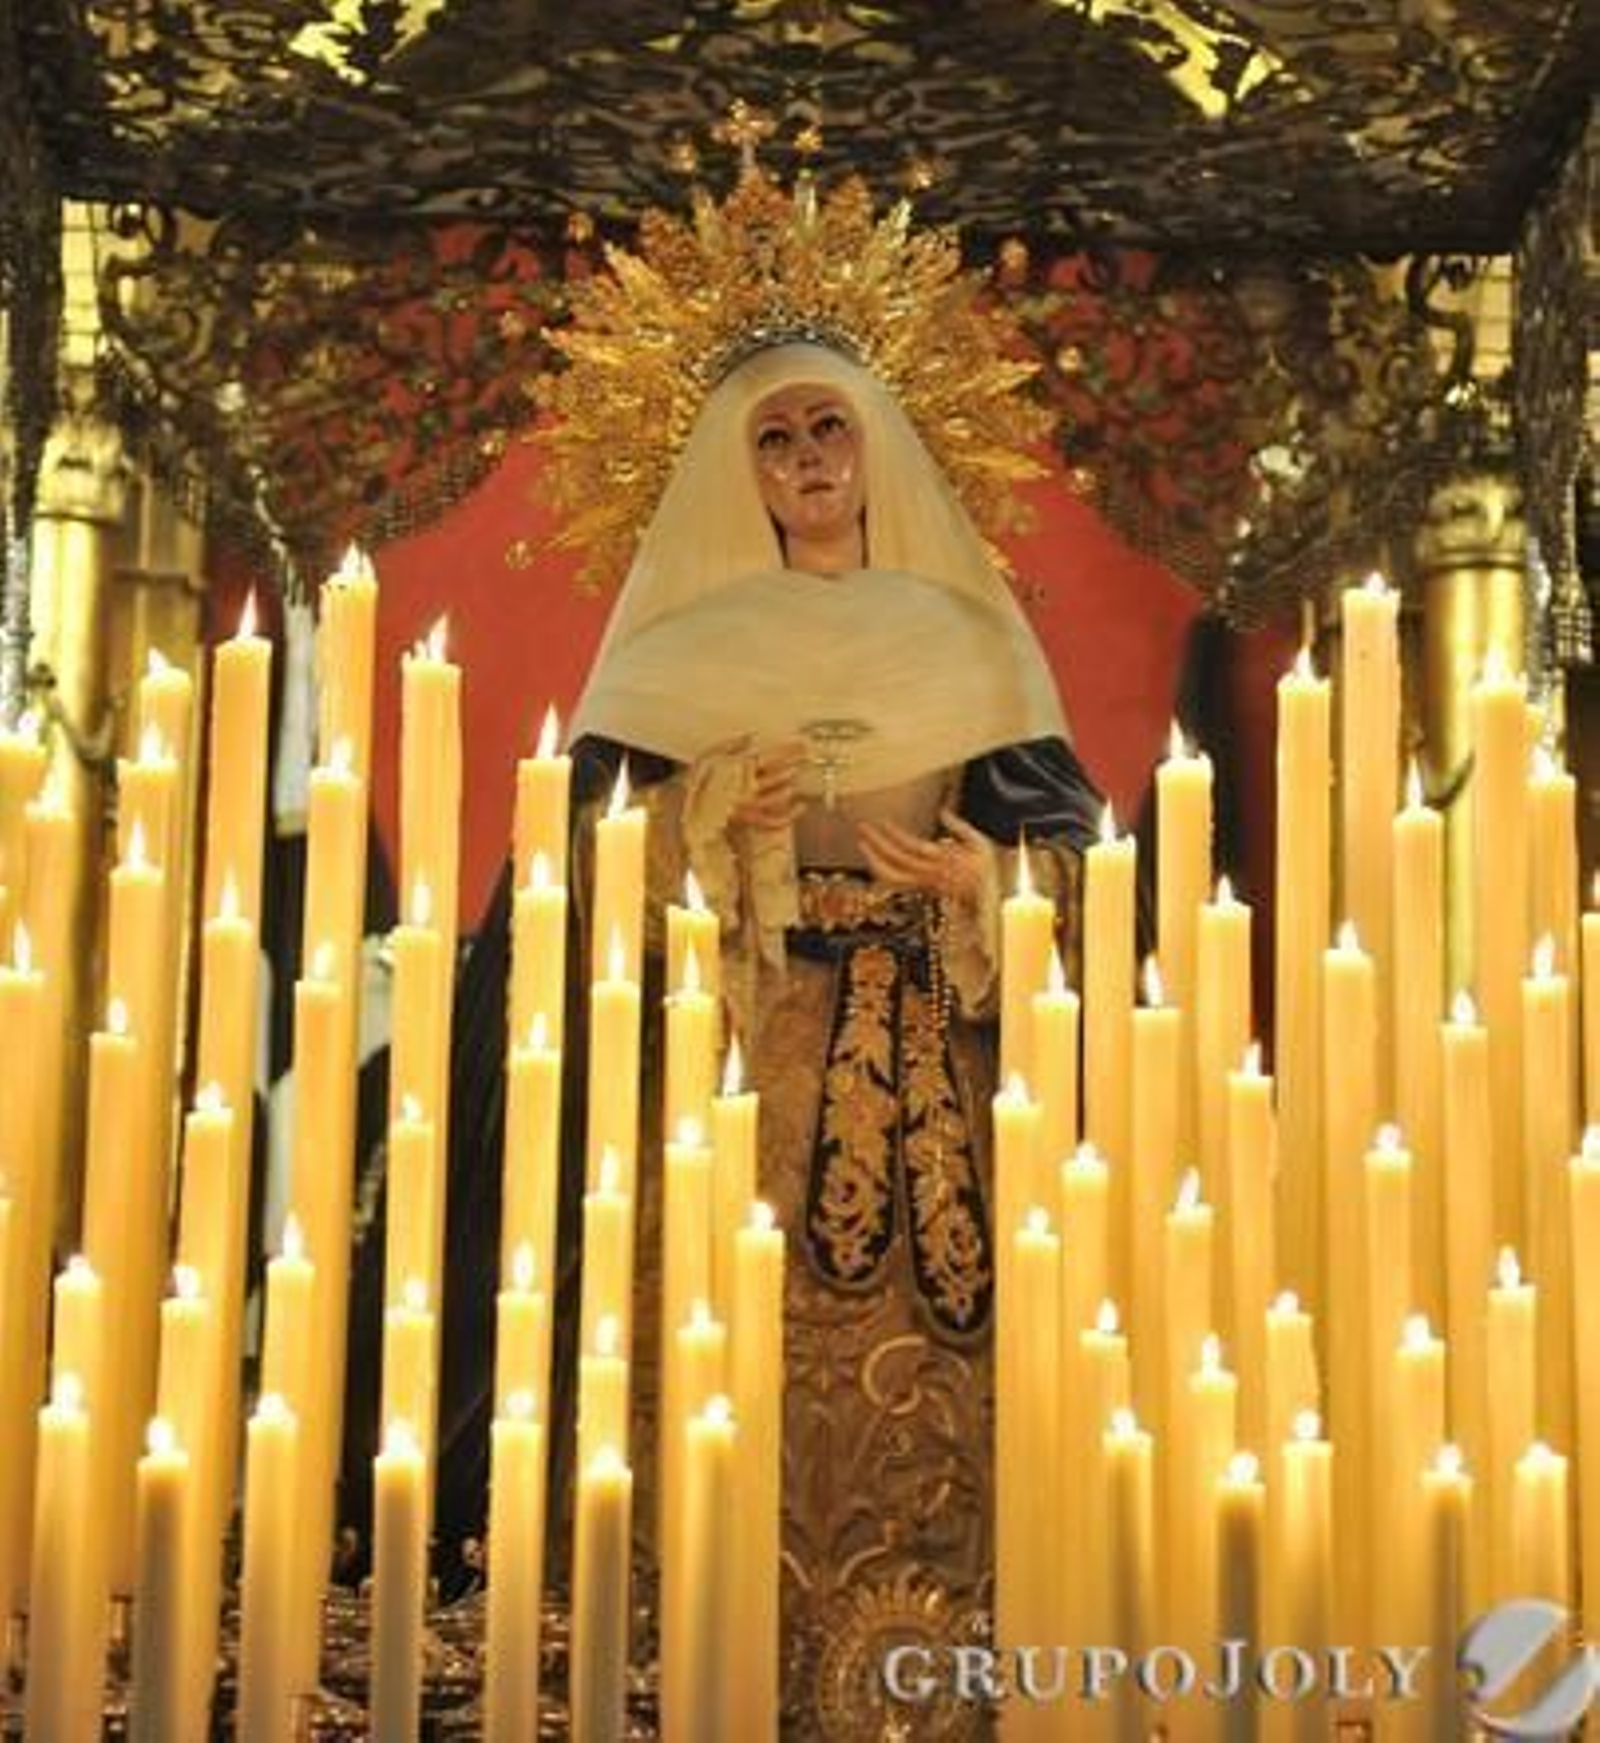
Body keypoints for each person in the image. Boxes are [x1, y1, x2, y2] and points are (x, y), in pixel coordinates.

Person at [424, 333, 1106, 1736]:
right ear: (735, 474)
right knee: (716, 1361)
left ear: (880, 447)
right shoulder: (677, 662)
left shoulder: (973, 644)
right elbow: (576, 873)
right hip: (741, 1066)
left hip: (942, 1063)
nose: (809, 462)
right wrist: (709, 822)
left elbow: (1094, 872)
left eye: (829, 428)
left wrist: (994, 884)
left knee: (956, 1395)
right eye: (777, 440)